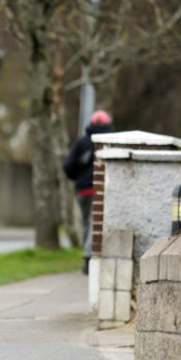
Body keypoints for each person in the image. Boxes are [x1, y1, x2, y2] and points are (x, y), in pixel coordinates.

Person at [63, 110, 113, 275]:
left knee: (87, 222)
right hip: (100, 189)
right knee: (94, 222)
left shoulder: (81, 142)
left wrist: (78, 177)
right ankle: (89, 257)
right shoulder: (110, 142)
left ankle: (89, 256)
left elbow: (68, 167)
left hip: (82, 190)